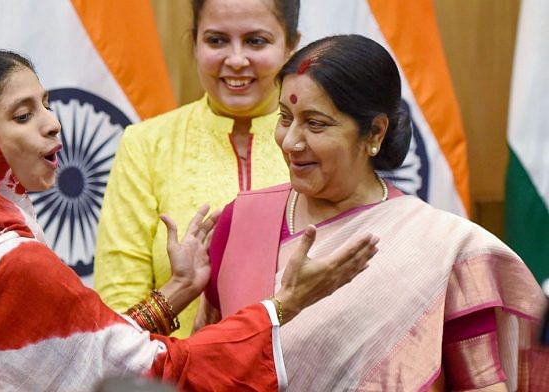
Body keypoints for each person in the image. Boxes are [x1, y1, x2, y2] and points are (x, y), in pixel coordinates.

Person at [0, 50, 380, 391]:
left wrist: (179, 289)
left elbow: (82, 355)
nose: (52, 123)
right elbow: (152, 371)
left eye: (46, 104)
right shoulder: (13, 265)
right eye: (22, 115)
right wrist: (283, 306)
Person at [198, 35, 549, 390]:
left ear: (375, 132)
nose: (291, 142)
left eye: (315, 124)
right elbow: (200, 367)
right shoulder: (241, 220)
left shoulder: (442, 249)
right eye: (285, 118)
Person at [94, 0, 301, 337]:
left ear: (292, 45)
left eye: (256, 41)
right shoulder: (147, 144)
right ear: (193, 43)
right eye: (216, 41)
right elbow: (117, 307)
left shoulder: (317, 144)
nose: (235, 60)